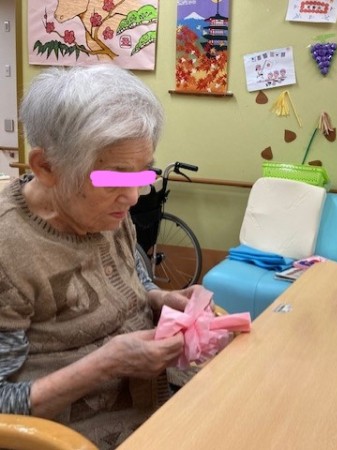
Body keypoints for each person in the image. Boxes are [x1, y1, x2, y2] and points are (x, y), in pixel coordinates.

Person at [0, 65, 199, 449]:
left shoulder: (106, 210)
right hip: (75, 437)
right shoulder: (9, 249)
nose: (133, 196)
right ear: (46, 167)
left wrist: (159, 298)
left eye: (142, 173)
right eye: (115, 177)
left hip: (154, 404)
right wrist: (106, 364)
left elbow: (133, 275)